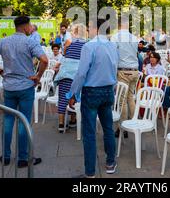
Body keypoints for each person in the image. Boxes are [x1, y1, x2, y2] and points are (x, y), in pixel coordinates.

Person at [0, 16, 48, 168]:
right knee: (24, 122)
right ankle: (22, 158)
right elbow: (44, 60)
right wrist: (38, 76)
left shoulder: (3, 42)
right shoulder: (30, 41)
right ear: (25, 27)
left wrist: (0, 71)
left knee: (8, 121)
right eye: (30, 25)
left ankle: (6, 156)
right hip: (25, 86)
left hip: (9, 87)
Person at [67, 18, 119, 178]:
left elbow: (81, 73)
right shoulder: (112, 45)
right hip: (108, 91)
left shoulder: (89, 46)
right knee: (108, 129)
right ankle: (111, 163)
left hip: (91, 92)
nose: (88, 29)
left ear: (96, 28)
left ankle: (90, 172)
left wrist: (72, 93)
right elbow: (115, 67)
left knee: (89, 133)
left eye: (90, 26)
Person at [53, 24, 86, 132]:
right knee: (74, 97)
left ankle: (61, 124)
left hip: (65, 73)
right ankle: (72, 121)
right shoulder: (86, 44)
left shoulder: (68, 41)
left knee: (63, 97)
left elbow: (65, 55)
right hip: (77, 75)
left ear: (74, 32)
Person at [111, 18, 139, 138]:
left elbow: (112, 55)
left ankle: (122, 127)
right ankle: (132, 124)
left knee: (121, 101)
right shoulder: (134, 38)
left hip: (123, 71)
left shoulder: (115, 37)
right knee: (130, 98)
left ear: (118, 26)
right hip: (134, 70)